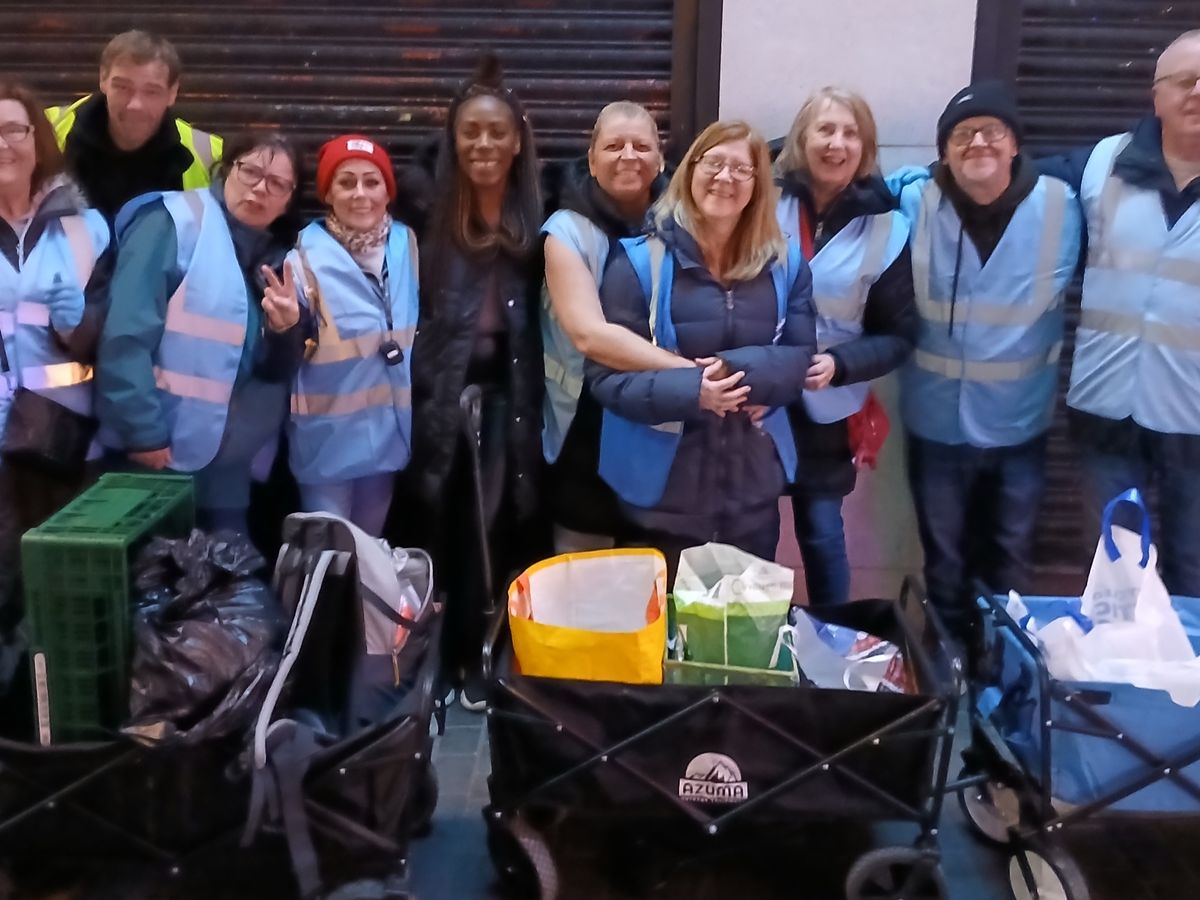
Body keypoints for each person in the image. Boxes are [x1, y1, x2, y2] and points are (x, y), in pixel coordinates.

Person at [891, 81, 1080, 643]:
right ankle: (949, 677)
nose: (978, 142)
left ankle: (1004, 673)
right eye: (962, 134)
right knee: (944, 564)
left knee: (1010, 562)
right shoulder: (913, 199)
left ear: (1015, 143)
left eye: (991, 130)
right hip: (936, 424)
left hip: (1020, 424)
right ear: (944, 152)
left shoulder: (1064, 205)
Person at [588, 119, 816, 577]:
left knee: (748, 620)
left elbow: (800, 359)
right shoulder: (636, 263)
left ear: (758, 185)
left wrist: (734, 372)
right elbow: (605, 380)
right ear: (689, 171)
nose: (725, 177)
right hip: (661, 500)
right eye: (713, 163)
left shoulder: (785, 263)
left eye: (741, 169)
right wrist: (696, 391)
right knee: (666, 621)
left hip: (751, 493)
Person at [1038, 30, 1200, 595]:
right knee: (1113, 573)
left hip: (1194, 418)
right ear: (1157, 95)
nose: (1198, 94)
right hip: (1105, 409)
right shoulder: (1101, 164)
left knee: (1193, 571)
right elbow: (1002, 183)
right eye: (1186, 81)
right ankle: (1117, 654)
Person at [409, 55, 545, 711]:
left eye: (497, 132)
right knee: (443, 525)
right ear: (452, 140)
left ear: (518, 141)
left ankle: (487, 654)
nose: (483, 144)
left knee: (501, 525)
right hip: (439, 396)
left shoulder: (543, 213)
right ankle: (444, 659)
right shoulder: (425, 212)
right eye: (470, 132)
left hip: (514, 396)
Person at [96, 131, 307, 533]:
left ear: (288, 200)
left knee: (228, 567)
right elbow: (125, 335)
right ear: (226, 170)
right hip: (157, 455)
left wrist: (284, 331)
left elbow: (272, 371)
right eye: (251, 172)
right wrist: (143, 433)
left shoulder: (275, 258)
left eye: (278, 184)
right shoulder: (173, 222)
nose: (260, 189)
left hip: (228, 464)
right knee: (155, 564)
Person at [542, 101, 716, 553]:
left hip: (663, 414)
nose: (628, 156)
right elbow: (588, 334)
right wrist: (688, 372)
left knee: (654, 563)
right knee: (584, 567)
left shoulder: (690, 221)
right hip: (585, 422)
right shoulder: (565, 229)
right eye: (614, 146)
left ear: (660, 159)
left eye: (641, 146)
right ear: (591, 159)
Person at [774, 87, 916, 607]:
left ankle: (836, 637)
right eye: (825, 130)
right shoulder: (760, 200)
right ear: (800, 139)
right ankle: (753, 642)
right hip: (758, 398)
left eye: (850, 133)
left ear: (866, 148)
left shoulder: (888, 225)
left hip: (828, 404)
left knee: (821, 529)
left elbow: (899, 335)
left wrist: (839, 364)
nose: (837, 144)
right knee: (752, 532)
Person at [0, 81, 114, 686]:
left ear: (37, 139)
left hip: (63, 445)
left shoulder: (86, 228)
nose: (3, 145)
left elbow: (107, 331)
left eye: (13, 130)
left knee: (60, 591)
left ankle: (58, 713)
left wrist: (78, 324)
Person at [285, 134, 418, 536]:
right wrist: (282, 325)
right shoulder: (302, 259)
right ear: (327, 194)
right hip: (327, 443)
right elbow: (283, 351)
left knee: (371, 554)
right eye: (346, 183)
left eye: (372, 182)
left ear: (388, 192)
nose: (360, 194)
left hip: (388, 436)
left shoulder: (407, 246)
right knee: (331, 557)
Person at [45, 30, 222, 220]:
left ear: (173, 93)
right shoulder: (43, 131)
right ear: (103, 79)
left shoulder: (209, 156)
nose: (135, 105)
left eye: (151, 91)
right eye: (122, 87)